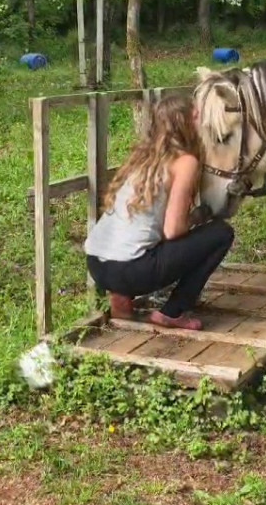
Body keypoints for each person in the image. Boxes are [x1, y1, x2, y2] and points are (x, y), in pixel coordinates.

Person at [84, 95, 234, 331]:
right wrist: (198, 217)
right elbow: (172, 230)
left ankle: (121, 298)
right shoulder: (185, 161)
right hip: (131, 270)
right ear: (186, 122)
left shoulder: (143, 156)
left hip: (97, 265)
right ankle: (173, 312)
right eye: (197, 116)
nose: (203, 123)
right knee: (221, 233)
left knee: (140, 237)